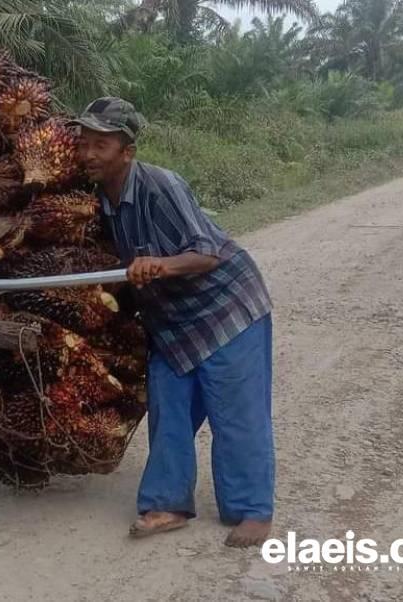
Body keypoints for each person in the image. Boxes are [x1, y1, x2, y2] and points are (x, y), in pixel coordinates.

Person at [69, 98, 275, 548]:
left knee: (235, 413)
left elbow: (206, 252)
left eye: (99, 145)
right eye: (83, 143)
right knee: (169, 409)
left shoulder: (161, 186)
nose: (87, 154)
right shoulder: (97, 199)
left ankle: (252, 510)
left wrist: (158, 265)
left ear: (127, 151)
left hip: (225, 310)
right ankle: (167, 503)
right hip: (172, 321)